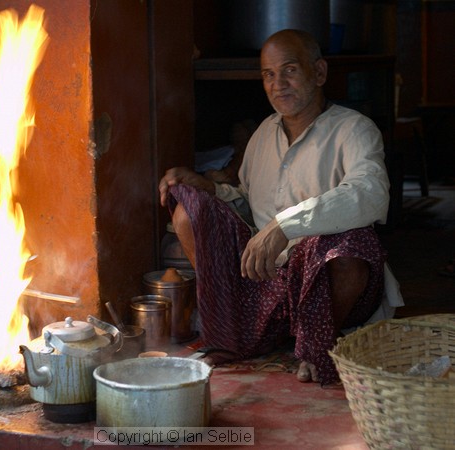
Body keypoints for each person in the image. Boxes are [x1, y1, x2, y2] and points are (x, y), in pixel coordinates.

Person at [158, 29, 403, 386]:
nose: (278, 84)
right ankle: (240, 325)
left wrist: (286, 224)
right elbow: (246, 198)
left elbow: (370, 193)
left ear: (319, 73)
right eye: (268, 75)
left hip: (327, 287)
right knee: (189, 209)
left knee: (351, 243)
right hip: (266, 282)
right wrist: (208, 187)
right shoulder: (263, 134)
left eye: (290, 70)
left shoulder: (354, 130)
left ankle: (317, 341)